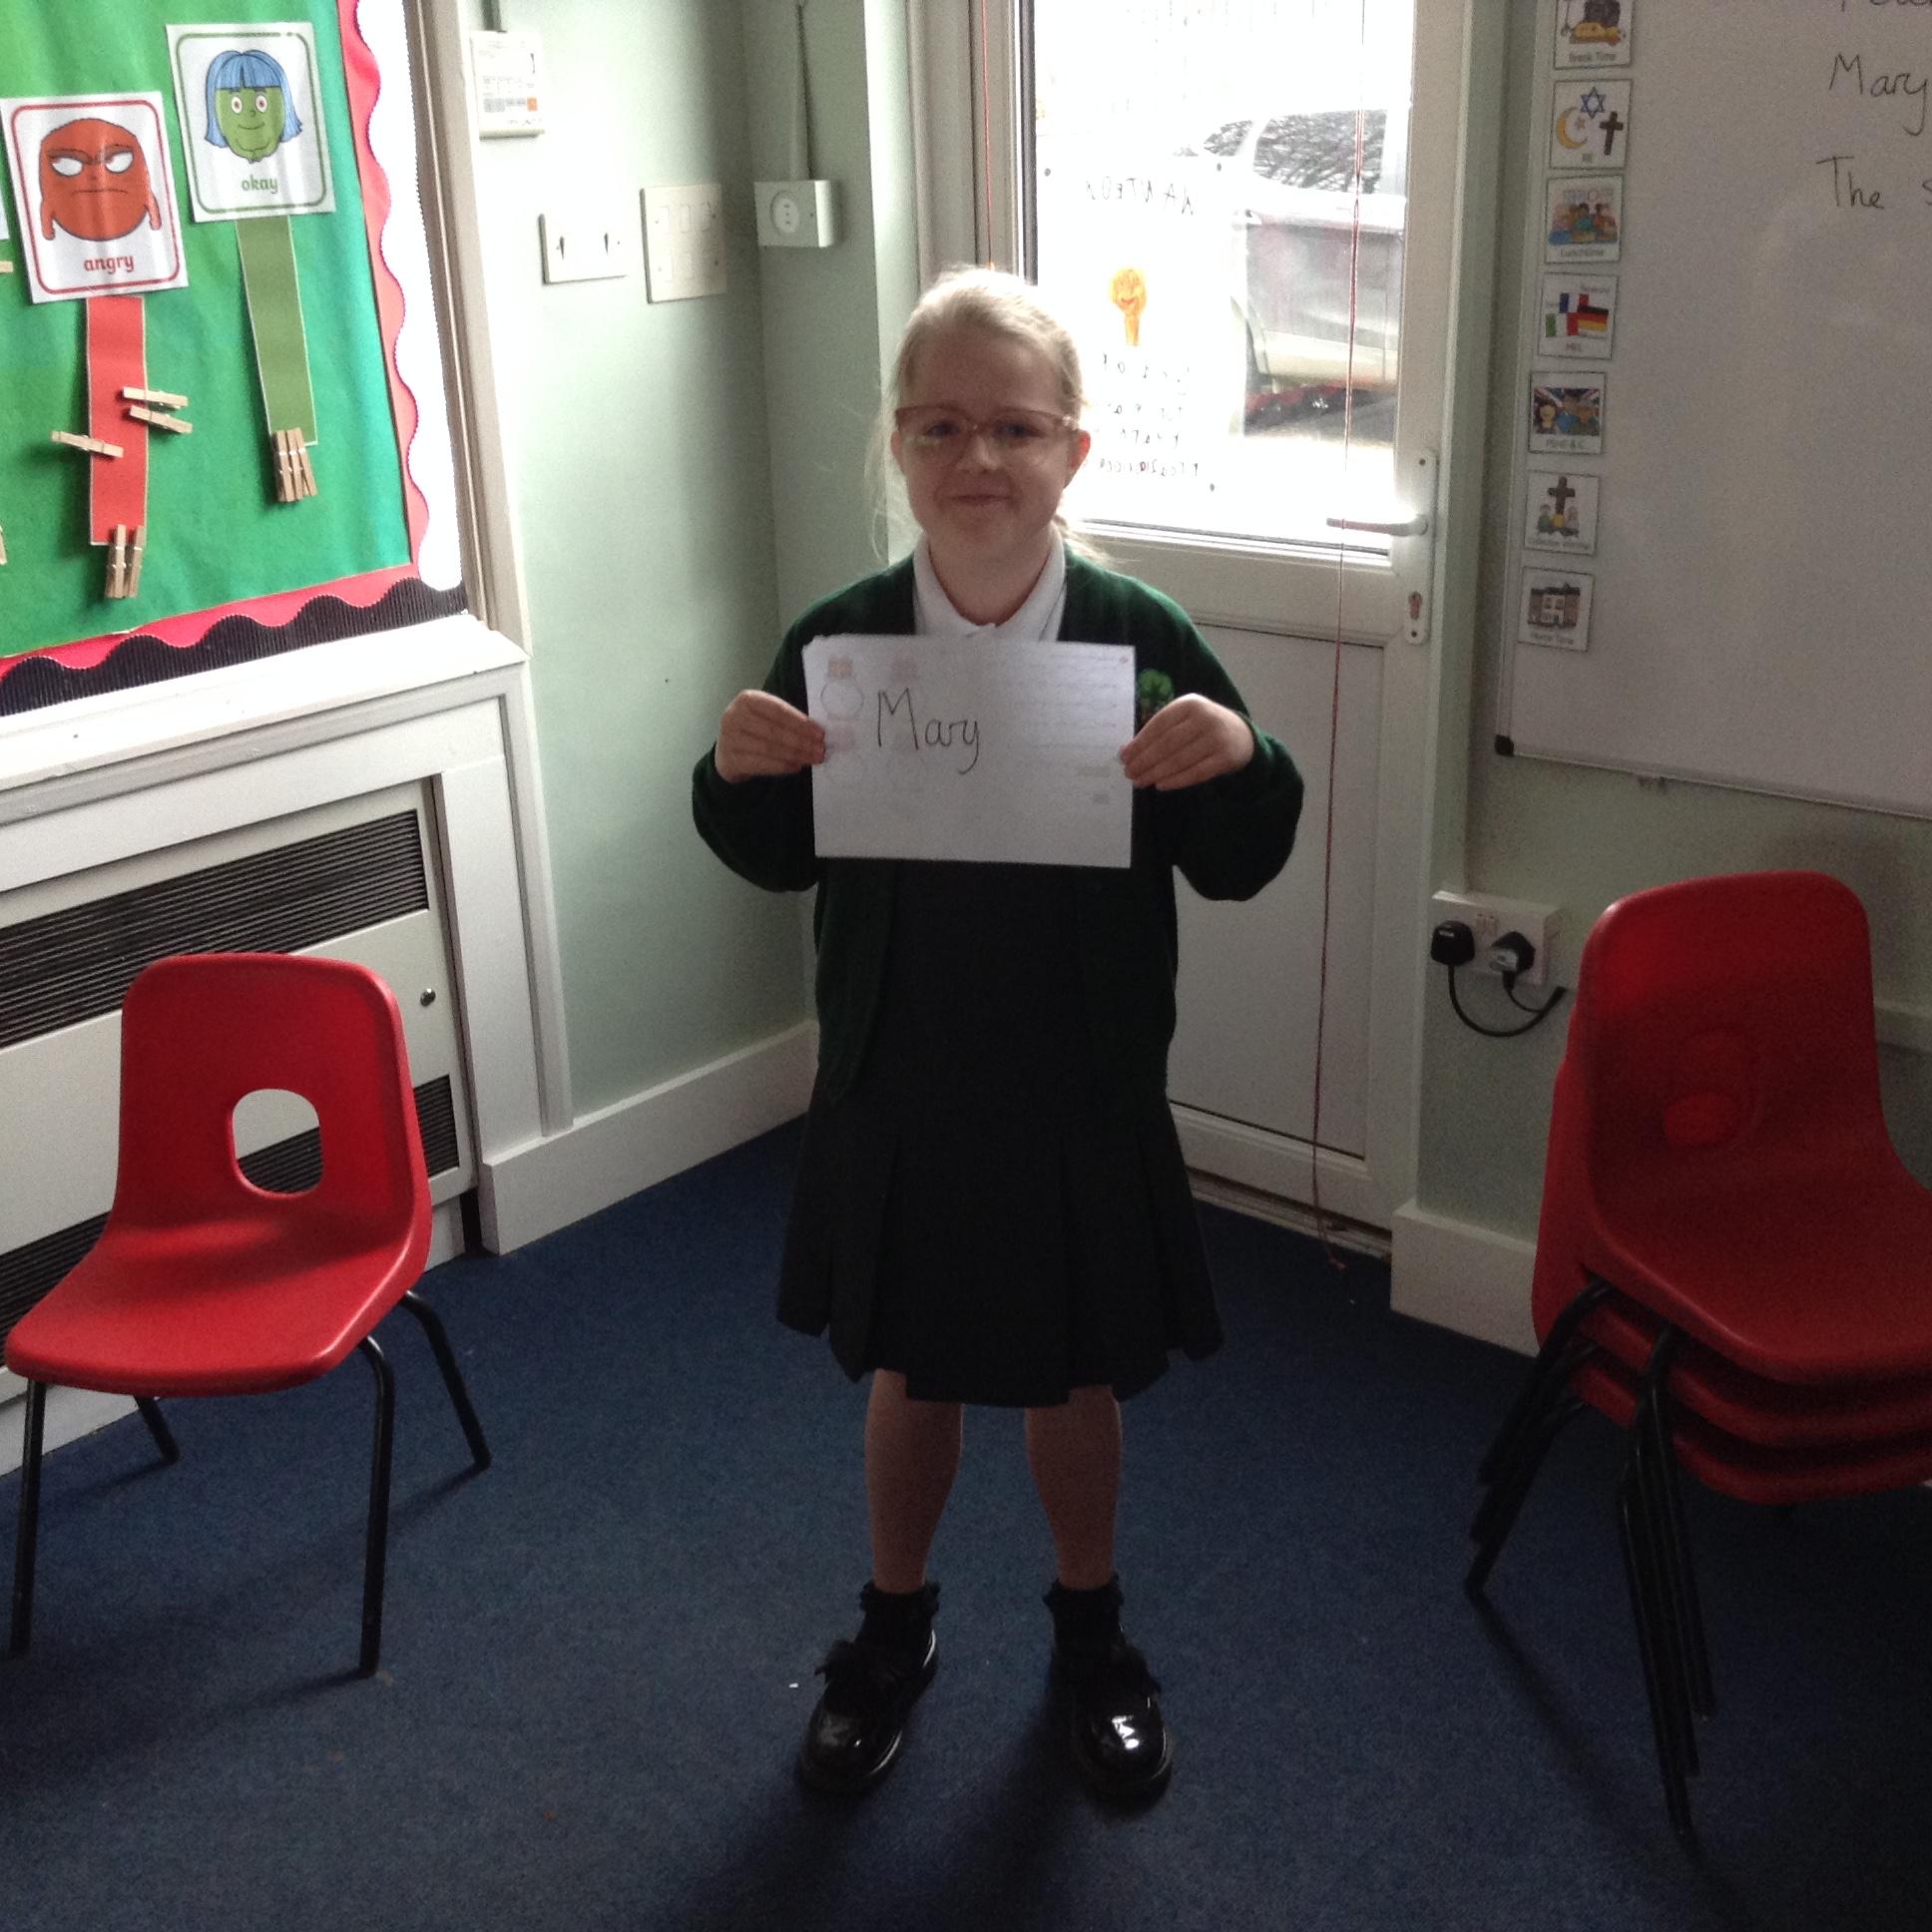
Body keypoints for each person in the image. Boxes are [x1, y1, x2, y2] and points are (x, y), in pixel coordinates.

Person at [692, 267, 1302, 1804]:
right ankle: (894, 1627)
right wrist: (736, 770)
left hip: (1077, 1079)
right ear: (898, 446)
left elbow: (1238, 856)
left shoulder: (1140, 637)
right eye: (942, 427)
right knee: (913, 1368)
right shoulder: (842, 639)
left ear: (1073, 451)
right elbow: (776, 854)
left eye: (1018, 429)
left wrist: (1242, 753)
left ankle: (1091, 1630)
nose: (981, 458)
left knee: (1072, 1375)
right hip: (900, 1077)